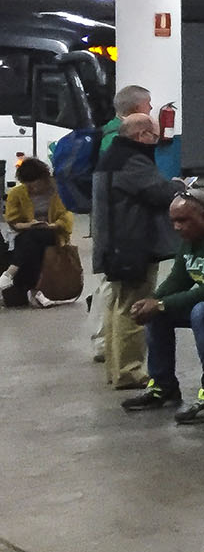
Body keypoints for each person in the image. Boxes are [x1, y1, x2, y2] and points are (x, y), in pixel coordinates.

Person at [121, 191, 204, 424]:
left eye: (183, 220)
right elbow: (178, 279)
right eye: (173, 221)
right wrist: (152, 301)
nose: (177, 227)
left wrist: (162, 304)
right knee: (159, 315)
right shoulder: (192, 238)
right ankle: (163, 386)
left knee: (203, 313)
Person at [91, 113, 181, 390]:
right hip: (132, 245)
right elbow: (159, 193)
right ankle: (130, 372)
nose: (155, 142)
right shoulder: (133, 161)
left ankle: (116, 369)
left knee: (117, 307)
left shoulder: (112, 156)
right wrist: (179, 186)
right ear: (141, 135)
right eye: (154, 137)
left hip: (115, 242)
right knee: (134, 310)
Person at [3, 158, 74, 307]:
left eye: (35, 185)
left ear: (44, 179)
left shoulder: (58, 191)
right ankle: (34, 291)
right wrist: (30, 224)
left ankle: (10, 273)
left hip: (53, 232)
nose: (32, 189)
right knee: (33, 240)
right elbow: (13, 222)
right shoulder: (17, 193)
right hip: (27, 233)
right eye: (27, 186)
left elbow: (65, 217)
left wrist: (52, 225)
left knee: (35, 237)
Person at [97, 84, 151, 158]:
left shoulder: (130, 131)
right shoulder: (113, 138)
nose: (151, 107)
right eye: (148, 103)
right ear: (137, 108)